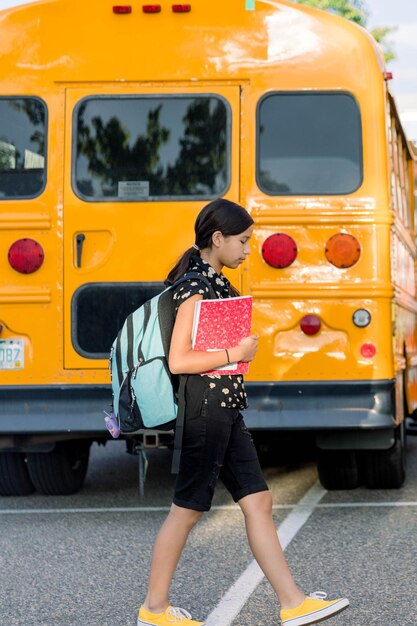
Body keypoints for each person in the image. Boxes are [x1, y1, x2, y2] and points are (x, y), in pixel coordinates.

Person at [137, 199, 349, 626]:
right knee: (187, 509)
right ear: (218, 239)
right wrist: (235, 351)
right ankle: (154, 611)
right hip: (204, 411)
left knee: (259, 500)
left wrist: (234, 356)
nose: (249, 250)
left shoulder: (216, 282)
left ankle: (292, 603)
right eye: (243, 241)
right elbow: (179, 360)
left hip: (224, 409)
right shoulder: (196, 287)